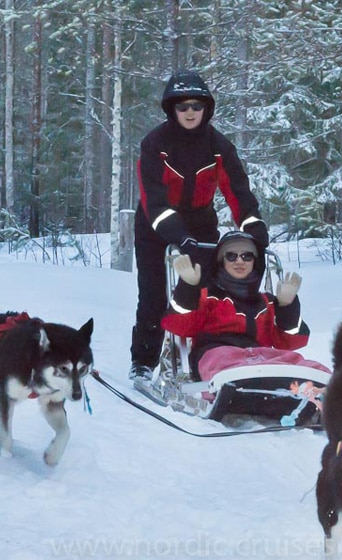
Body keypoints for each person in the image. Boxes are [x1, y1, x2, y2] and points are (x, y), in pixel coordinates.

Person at [129, 69, 270, 381]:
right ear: (172, 109)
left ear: (207, 108)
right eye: (183, 106)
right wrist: (177, 235)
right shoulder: (155, 144)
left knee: (205, 294)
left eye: (197, 105)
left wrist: (254, 227)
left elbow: (238, 192)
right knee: (152, 294)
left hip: (200, 223)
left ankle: (201, 358)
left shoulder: (219, 146)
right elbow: (153, 198)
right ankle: (143, 360)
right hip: (155, 223)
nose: (190, 112)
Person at [160, 230, 330, 382]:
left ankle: (325, 388)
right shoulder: (207, 297)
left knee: (304, 364)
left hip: (261, 358)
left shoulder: (267, 302)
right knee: (226, 363)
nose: (239, 261)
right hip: (217, 354)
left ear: (255, 262)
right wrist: (188, 288)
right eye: (231, 256)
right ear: (221, 261)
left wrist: (287, 307)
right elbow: (179, 326)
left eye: (247, 256)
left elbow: (291, 342)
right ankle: (241, 385)